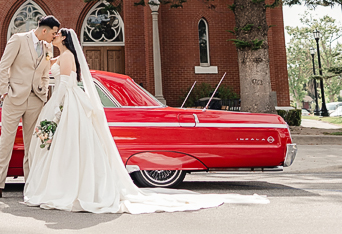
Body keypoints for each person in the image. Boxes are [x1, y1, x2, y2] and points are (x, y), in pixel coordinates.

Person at [23, 28, 266, 213]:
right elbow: (45, 67)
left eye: (56, 35)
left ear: (63, 39)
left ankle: (69, 189)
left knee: (70, 149)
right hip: (70, 104)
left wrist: (53, 111)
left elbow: (64, 87)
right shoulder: (61, 56)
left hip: (67, 105)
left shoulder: (65, 58)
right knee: (73, 150)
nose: (52, 37)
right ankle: (69, 186)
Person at [0, 15, 60, 200]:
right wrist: (4, 93)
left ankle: (31, 185)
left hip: (36, 100)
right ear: (44, 30)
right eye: (53, 33)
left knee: (32, 145)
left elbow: (43, 72)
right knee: (6, 142)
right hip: (14, 97)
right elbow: (3, 66)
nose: (54, 37)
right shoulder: (18, 39)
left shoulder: (47, 47)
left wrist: (43, 95)